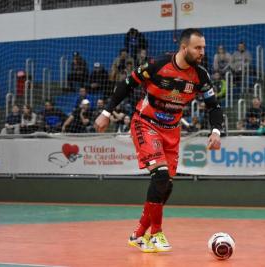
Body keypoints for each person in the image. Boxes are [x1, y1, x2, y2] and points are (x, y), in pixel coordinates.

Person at [94, 28, 223, 253]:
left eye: (203, 47)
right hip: (146, 123)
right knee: (161, 175)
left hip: (172, 131)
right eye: (198, 47)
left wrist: (216, 131)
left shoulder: (201, 75)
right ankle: (156, 234)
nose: (202, 51)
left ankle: (137, 234)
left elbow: (214, 106)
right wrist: (106, 112)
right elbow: (127, 83)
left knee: (166, 185)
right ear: (184, 48)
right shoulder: (158, 65)